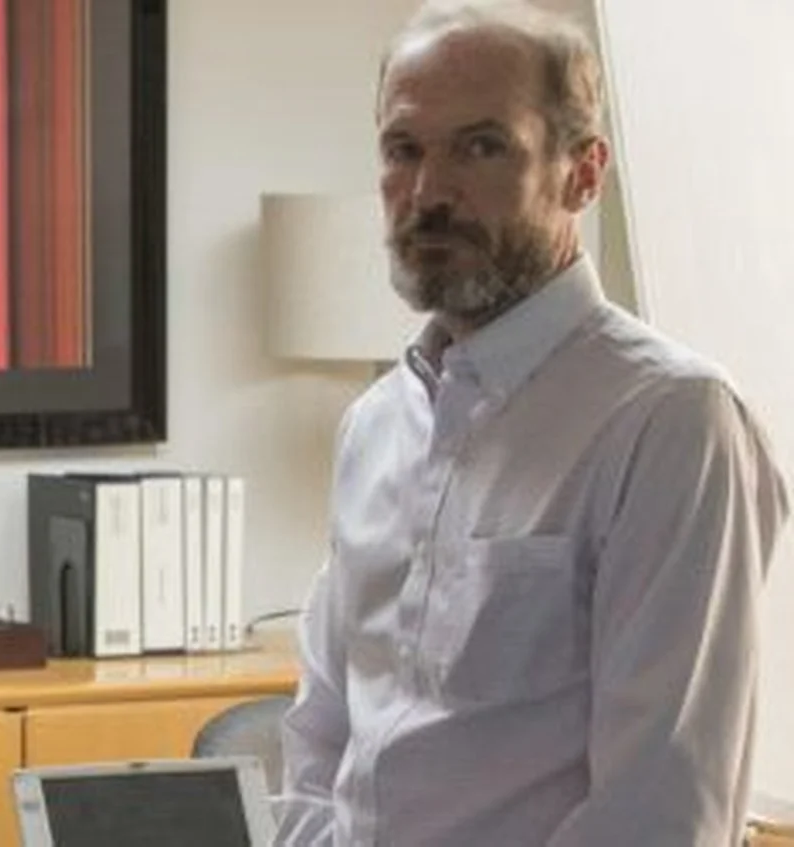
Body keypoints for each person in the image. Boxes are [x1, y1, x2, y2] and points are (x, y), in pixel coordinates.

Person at [276, 1, 788, 844]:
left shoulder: (671, 422)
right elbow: (322, 735)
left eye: (481, 147)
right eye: (404, 150)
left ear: (583, 173)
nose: (429, 192)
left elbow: (659, 813)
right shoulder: (375, 425)